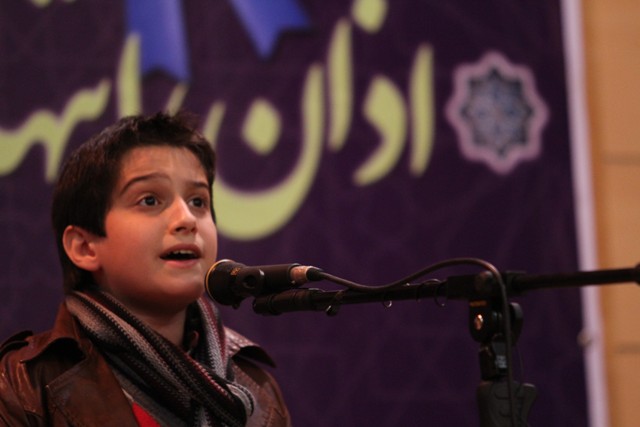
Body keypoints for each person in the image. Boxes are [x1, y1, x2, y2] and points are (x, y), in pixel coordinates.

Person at [0, 111, 291, 426]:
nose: (187, 219)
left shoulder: (257, 388)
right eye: (150, 200)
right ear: (84, 247)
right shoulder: (22, 387)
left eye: (198, 201)